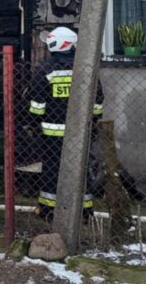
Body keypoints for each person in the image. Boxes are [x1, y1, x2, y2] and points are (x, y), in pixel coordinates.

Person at [28, 27, 104, 221]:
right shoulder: (85, 70)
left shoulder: (44, 70)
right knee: (81, 169)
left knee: (52, 169)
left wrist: (35, 124)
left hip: (52, 134)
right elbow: (97, 102)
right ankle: (84, 212)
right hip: (81, 132)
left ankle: (48, 211)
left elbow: (37, 106)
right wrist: (92, 122)